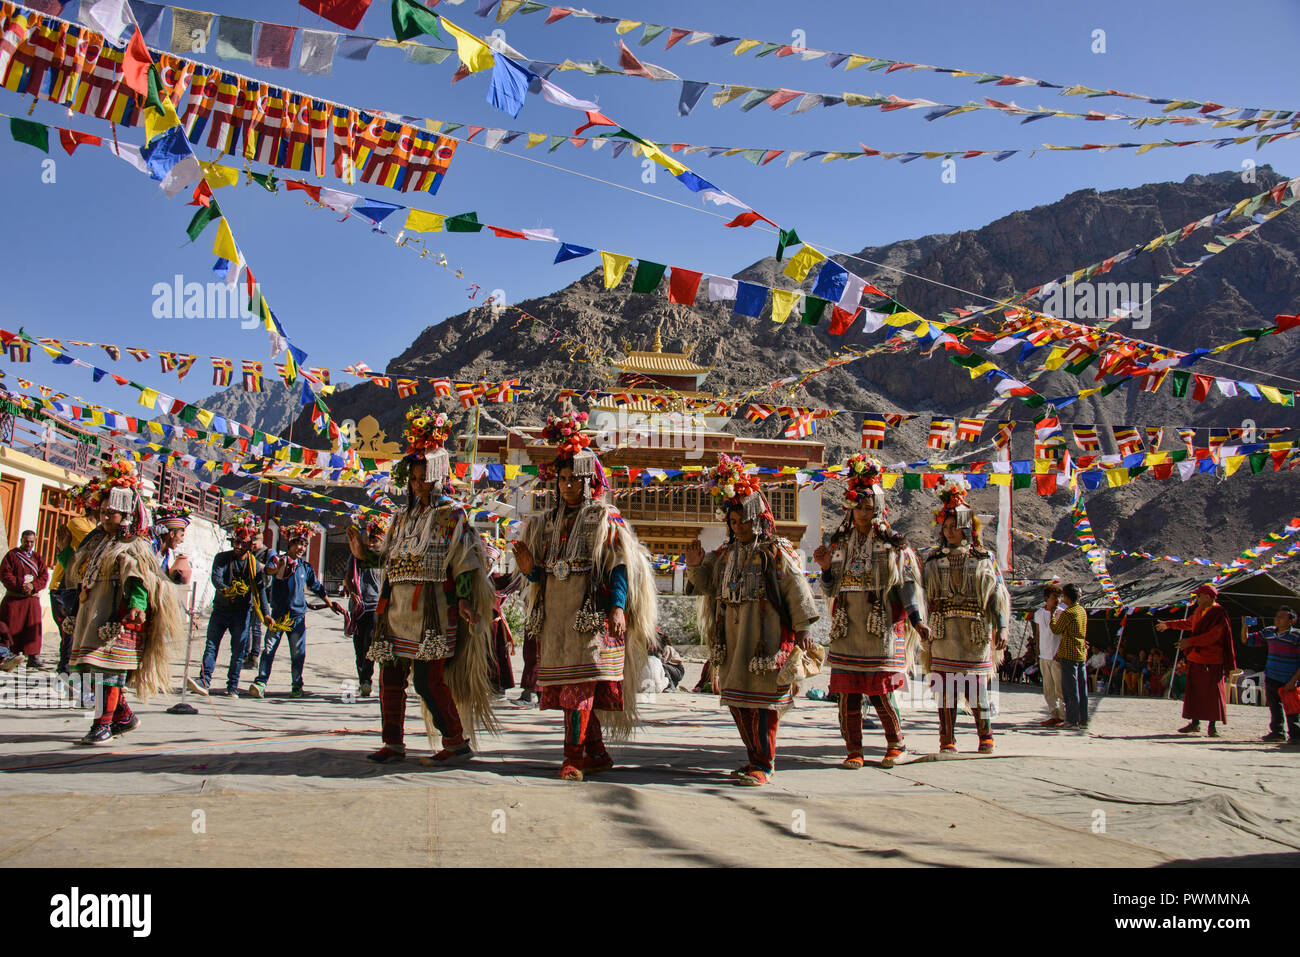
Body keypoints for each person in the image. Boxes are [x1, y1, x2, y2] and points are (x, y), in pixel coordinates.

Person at [346, 408, 498, 765]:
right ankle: (393, 743)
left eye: (423, 479)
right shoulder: (400, 519)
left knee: (428, 682)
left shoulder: (453, 516)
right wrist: (364, 554)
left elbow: (465, 560)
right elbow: (388, 559)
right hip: (396, 611)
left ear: (439, 478)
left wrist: (464, 599)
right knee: (390, 678)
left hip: (433, 610)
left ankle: (456, 741)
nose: (417, 485)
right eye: (413, 479)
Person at [513, 409, 657, 781]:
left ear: (590, 481)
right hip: (556, 619)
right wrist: (528, 566)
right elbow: (539, 573)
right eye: (562, 479)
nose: (567, 486)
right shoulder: (544, 523)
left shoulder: (604, 519)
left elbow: (618, 566)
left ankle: (572, 759)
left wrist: (619, 607)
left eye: (575, 479)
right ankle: (596, 751)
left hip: (590, 615)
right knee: (568, 690)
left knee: (578, 689)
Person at [685, 454, 820, 786]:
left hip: (765, 638)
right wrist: (695, 565)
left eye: (743, 521)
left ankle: (764, 763)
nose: (738, 527)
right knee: (737, 700)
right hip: (732, 640)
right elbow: (706, 587)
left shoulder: (777, 553)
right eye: (732, 522)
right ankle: (753, 759)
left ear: (758, 519)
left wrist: (803, 628)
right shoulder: (725, 556)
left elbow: (797, 589)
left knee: (762, 704)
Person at [813, 454, 925, 770]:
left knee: (880, 691)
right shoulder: (840, 542)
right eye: (857, 505)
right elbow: (832, 587)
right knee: (848, 693)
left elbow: (906, 584)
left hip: (880, 626)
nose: (862, 511)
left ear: (878, 506)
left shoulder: (892, 545)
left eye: (867, 505)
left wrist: (917, 620)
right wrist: (825, 569)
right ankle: (854, 750)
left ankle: (896, 744)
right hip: (848, 626)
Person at [68, 458, 183, 744]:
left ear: (127, 515)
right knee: (93, 672)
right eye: (104, 512)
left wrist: (136, 606)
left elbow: (138, 581)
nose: (106, 518)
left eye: (113, 514)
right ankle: (123, 717)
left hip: (114, 619)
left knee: (106, 673)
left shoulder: (132, 546)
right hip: (92, 615)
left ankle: (102, 724)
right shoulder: (97, 542)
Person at [920, 478, 1010, 756]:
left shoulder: (985, 558)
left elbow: (997, 594)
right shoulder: (933, 560)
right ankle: (947, 740)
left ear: (967, 528)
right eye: (945, 527)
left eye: (954, 526)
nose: (948, 532)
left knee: (977, 688)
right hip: (944, 632)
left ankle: (986, 736)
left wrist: (1003, 627)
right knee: (945, 691)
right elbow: (923, 594)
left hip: (976, 632)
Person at [250, 522, 338, 699]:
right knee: (268, 650)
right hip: (277, 616)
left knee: (298, 653)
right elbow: (269, 570)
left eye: (304, 544)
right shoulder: (278, 561)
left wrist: (329, 603)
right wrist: (277, 568)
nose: (300, 547)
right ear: (289, 544)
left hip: (297, 617)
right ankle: (260, 683)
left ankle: (297, 685)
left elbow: (316, 586)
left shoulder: (305, 568)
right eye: (297, 543)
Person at [189, 514, 268, 697]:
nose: (238, 546)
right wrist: (228, 591)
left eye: (243, 543)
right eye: (236, 542)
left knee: (238, 650)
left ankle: (232, 685)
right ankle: (205, 679)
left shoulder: (253, 564)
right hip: (221, 610)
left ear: (249, 545)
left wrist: (266, 615)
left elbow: (260, 591)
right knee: (211, 645)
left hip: (241, 613)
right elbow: (216, 578)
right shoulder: (222, 558)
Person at [1156, 584, 1236, 737]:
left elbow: (1214, 636)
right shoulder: (1200, 611)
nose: (1197, 599)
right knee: (1195, 692)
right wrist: (1169, 625)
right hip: (1196, 658)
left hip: (1212, 659)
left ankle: (1212, 726)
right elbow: (1188, 623)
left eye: (1199, 596)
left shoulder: (1219, 613)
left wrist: (1190, 642)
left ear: (1208, 597)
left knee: (1212, 693)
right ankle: (1195, 723)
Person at [51, 481, 104, 676]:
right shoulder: (80, 525)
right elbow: (99, 541)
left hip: (83, 583)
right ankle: (65, 672)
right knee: (69, 634)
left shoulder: (94, 526)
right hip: (65, 584)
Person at [344, 515, 387, 698]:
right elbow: (347, 577)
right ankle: (362, 678)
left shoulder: (384, 559)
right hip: (358, 606)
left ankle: (366, 680)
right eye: (370, 539)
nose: (371, 543)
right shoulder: (356, 556)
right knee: (358, 645)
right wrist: (351, 590)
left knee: (369, 643)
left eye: (375, 540)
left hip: (375, 606)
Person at [1244, 607, 1300, 744]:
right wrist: (1245, 627)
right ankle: (1277, 732)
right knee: (1274, 706)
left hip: (1289, 678)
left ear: (1291, 621)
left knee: (1292, 708)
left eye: (1282, 617)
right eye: (1277, 616)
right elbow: (1247, 640)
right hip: (1271, 675)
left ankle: (1296, 736)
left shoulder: (1297, 636)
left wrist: (1293, 681)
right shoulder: (1269, 632)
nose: (1278, 619)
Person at [0, 528, 50, 669]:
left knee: (32, 629)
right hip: (14, 599)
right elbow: (5, 574)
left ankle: (33, 657)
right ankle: (9, 656)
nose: (29, 544)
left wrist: (33, 586)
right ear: (21, 540)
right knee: (9, 628)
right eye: (26, 541)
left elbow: (44, 576)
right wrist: (21, 585)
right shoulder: (12, 555)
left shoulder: (37, 558)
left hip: (31, 600)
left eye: (31, 542)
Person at [1050, 583, 1089, 730]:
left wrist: (1052, 615)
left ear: (1067, 597)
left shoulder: (1068, 613)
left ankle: (1072, 720)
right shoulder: (1081, 611)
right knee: (1082, 687)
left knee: (1070, 689)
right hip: (1080, 653)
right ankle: (1083, 719)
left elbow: (1056, 629)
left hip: (1068, 653)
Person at [1033, 582, 1064, 726]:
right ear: (1046, 598)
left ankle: (1063, 717)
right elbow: (1038, 632)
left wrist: (1060, 651)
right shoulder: (1038, 614)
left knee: (1060, 689)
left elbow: (1064, 635)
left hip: (1056, 656)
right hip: (1044, 656)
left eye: (1059, 597)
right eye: (1054, 597)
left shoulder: (1062, 613)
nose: (1057, 600)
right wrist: (1037, 650)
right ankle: (1053, 714)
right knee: (1048, 689)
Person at [151, 505, 193, 587]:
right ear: (172, 534)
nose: (182, 540)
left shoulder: (166, 554)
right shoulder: (151, 546)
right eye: (181, 535)